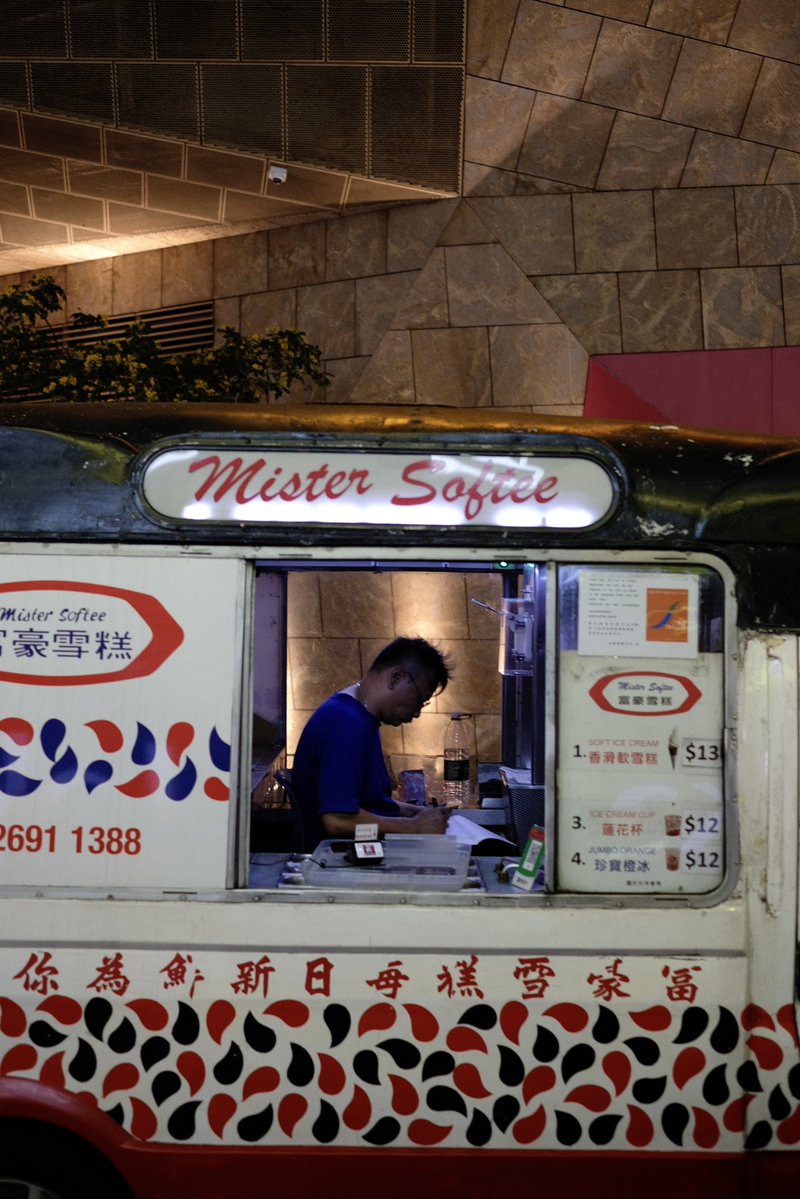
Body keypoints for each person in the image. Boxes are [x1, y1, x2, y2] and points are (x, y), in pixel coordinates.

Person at [291, 636, 452, 847]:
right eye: (419, 700)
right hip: (340, 864)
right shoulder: (346, 723)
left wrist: (413, 812)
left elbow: (368, 802)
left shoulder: (360, 715)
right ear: (396, 678)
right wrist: (413, 827)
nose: (417, 713)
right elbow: (338, 821)